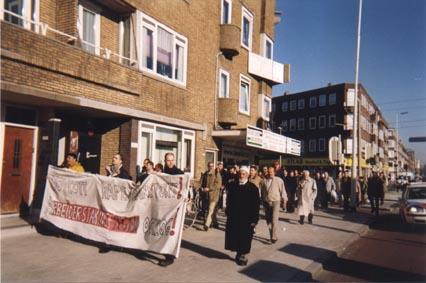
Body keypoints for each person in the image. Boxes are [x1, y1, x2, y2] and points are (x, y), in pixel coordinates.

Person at [225, 166, 260, 266]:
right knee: (235, 236)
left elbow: (256, 205)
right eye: (240, 173)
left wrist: (255, 219)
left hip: (247, 218)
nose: (241, 175)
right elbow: (229, 200)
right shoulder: (233, 186)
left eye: (244, 174)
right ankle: (238, 253)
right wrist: (228, 211)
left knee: (245, 237)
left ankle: (242, 255)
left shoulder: (253, 188)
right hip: (235, 216)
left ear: (248, 175)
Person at [158, 152, 184, 267]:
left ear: (174, 161)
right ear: (165, 161)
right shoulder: (162, 173)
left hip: (175, 208)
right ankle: (166, 253)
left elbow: (186, 186)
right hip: (164, 206)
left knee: (171, 231)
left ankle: (170, 256)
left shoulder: (179, 173)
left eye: (172, 160)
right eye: (168, 160)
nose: (170, 162)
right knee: (164, 230)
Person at [260, 166, 287, 243]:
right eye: (268, 171)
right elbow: (262, 192)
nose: (270, 173)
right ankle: (271, 235)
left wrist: (284, 200)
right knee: (268, 220)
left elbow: (283, 191)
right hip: (266, 202)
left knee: (274, 219)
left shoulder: (279, 180)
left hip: (276, 201)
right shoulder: (263, 181)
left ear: (274, 172)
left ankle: (274, 236)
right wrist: (262, 200)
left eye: (271, 171)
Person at [202, 162, 222, 231]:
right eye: (209, 166)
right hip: (207, 195)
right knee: (212, 211)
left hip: (214, 195)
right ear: (207, 166)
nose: (210, 167)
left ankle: (206, 225)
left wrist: (210, 188)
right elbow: (201, 182)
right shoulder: (205, 173)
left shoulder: (217, 173)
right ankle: (215, 223)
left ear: (213, 166)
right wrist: (202, 188)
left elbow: (218, 184)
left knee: (211, 210)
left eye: (212, 166)